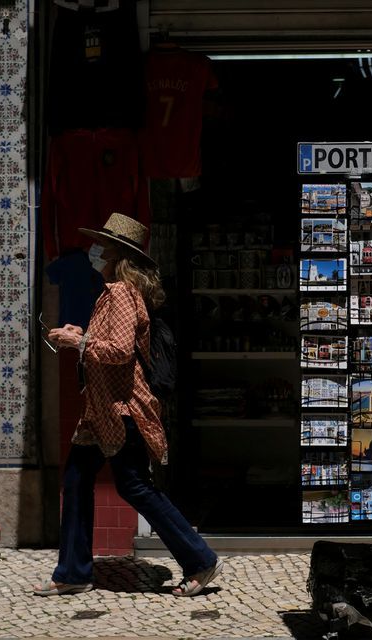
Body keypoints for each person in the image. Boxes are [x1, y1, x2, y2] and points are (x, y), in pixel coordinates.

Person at [33, 212, 221, 597]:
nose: (93, 248)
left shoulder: (119, 292)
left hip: (122, 410)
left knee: (135, 486)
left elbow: (118, 351)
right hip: (100, 412)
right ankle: (73, 572)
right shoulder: (111, 293)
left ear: (117, 254)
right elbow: (115, 342)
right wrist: (81, 333)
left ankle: (200, 558)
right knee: (78, 478)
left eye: (101, 243)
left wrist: (78, 344)